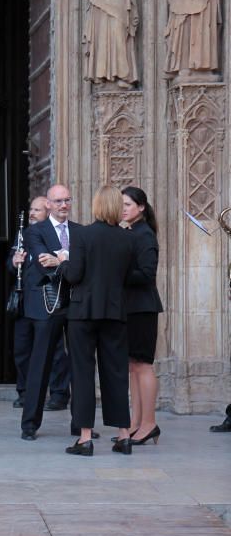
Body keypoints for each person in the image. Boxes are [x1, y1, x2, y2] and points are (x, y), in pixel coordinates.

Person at [58, 186, 136, 456]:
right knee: (115, 373)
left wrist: (62, 263)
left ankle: (85, 437)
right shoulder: (128, 238)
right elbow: (128, 277)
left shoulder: (82, 235)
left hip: (83, 312)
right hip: (115, 312)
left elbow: (74, 275)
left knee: (82, 372)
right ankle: (124, 435)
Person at [20, 185, 85, 441]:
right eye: (58, 201)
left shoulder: (81, 231)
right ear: (48, 203)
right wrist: (69, 258)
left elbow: (77, 263)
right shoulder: (35, 231)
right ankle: (29, 424)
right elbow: (42, 261)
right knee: (41, 363)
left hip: (77, 302)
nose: (63, 205)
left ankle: (81, 424)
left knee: (80, 363)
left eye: (67, 200)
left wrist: (61, 258)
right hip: (46, 304)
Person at [9, 196, 70, 410]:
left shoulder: (57, 237)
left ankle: (59, 393)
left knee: (55, 351)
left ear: (47, 212)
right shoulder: (24, 236)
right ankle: (25, 392)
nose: (32, 213)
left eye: (37, 210)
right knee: (22, 348)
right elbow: (11, 264)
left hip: (48, 299)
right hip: (24, 300)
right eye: (31, 209)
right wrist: (14, 261)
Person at [121, 186, 164, 445]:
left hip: (142, 307)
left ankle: (149, 423)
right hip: (130, 307)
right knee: (133, 367)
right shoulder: (131, 232)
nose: (123, 208)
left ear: (141, 207)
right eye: (121, 204)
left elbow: (147, 273)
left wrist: (118, 271)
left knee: (143, 365)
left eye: (127, 204)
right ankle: (136, 422)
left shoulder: (145, 234)